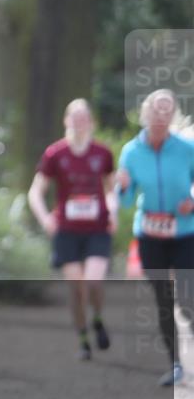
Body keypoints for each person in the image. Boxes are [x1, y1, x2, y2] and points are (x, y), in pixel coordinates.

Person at [28, 99, 117, 361]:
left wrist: (112, 210)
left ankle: (98, 318)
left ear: (91, 123)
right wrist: (45, 218)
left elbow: (111, 190)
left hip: (97, 228)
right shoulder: (55, 154)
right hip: (67, 231)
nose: (78, 123)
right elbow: (36, 191)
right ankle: (83, 338)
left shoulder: (103, 153)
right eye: (73, 118)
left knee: (93, 282)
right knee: (76, 287)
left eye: (83, 118)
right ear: (66, 121)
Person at [117, 88, 194, 386]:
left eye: (168, 109)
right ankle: (175, 364)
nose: (162, 114)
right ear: (145, 112)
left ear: (173, 114)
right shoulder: (131, 152)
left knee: (188, 298)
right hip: (150, 233)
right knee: (163, 298)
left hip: (185, 231)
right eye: (157, 109)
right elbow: (125, 202)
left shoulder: (186, 149)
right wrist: (123, 188)